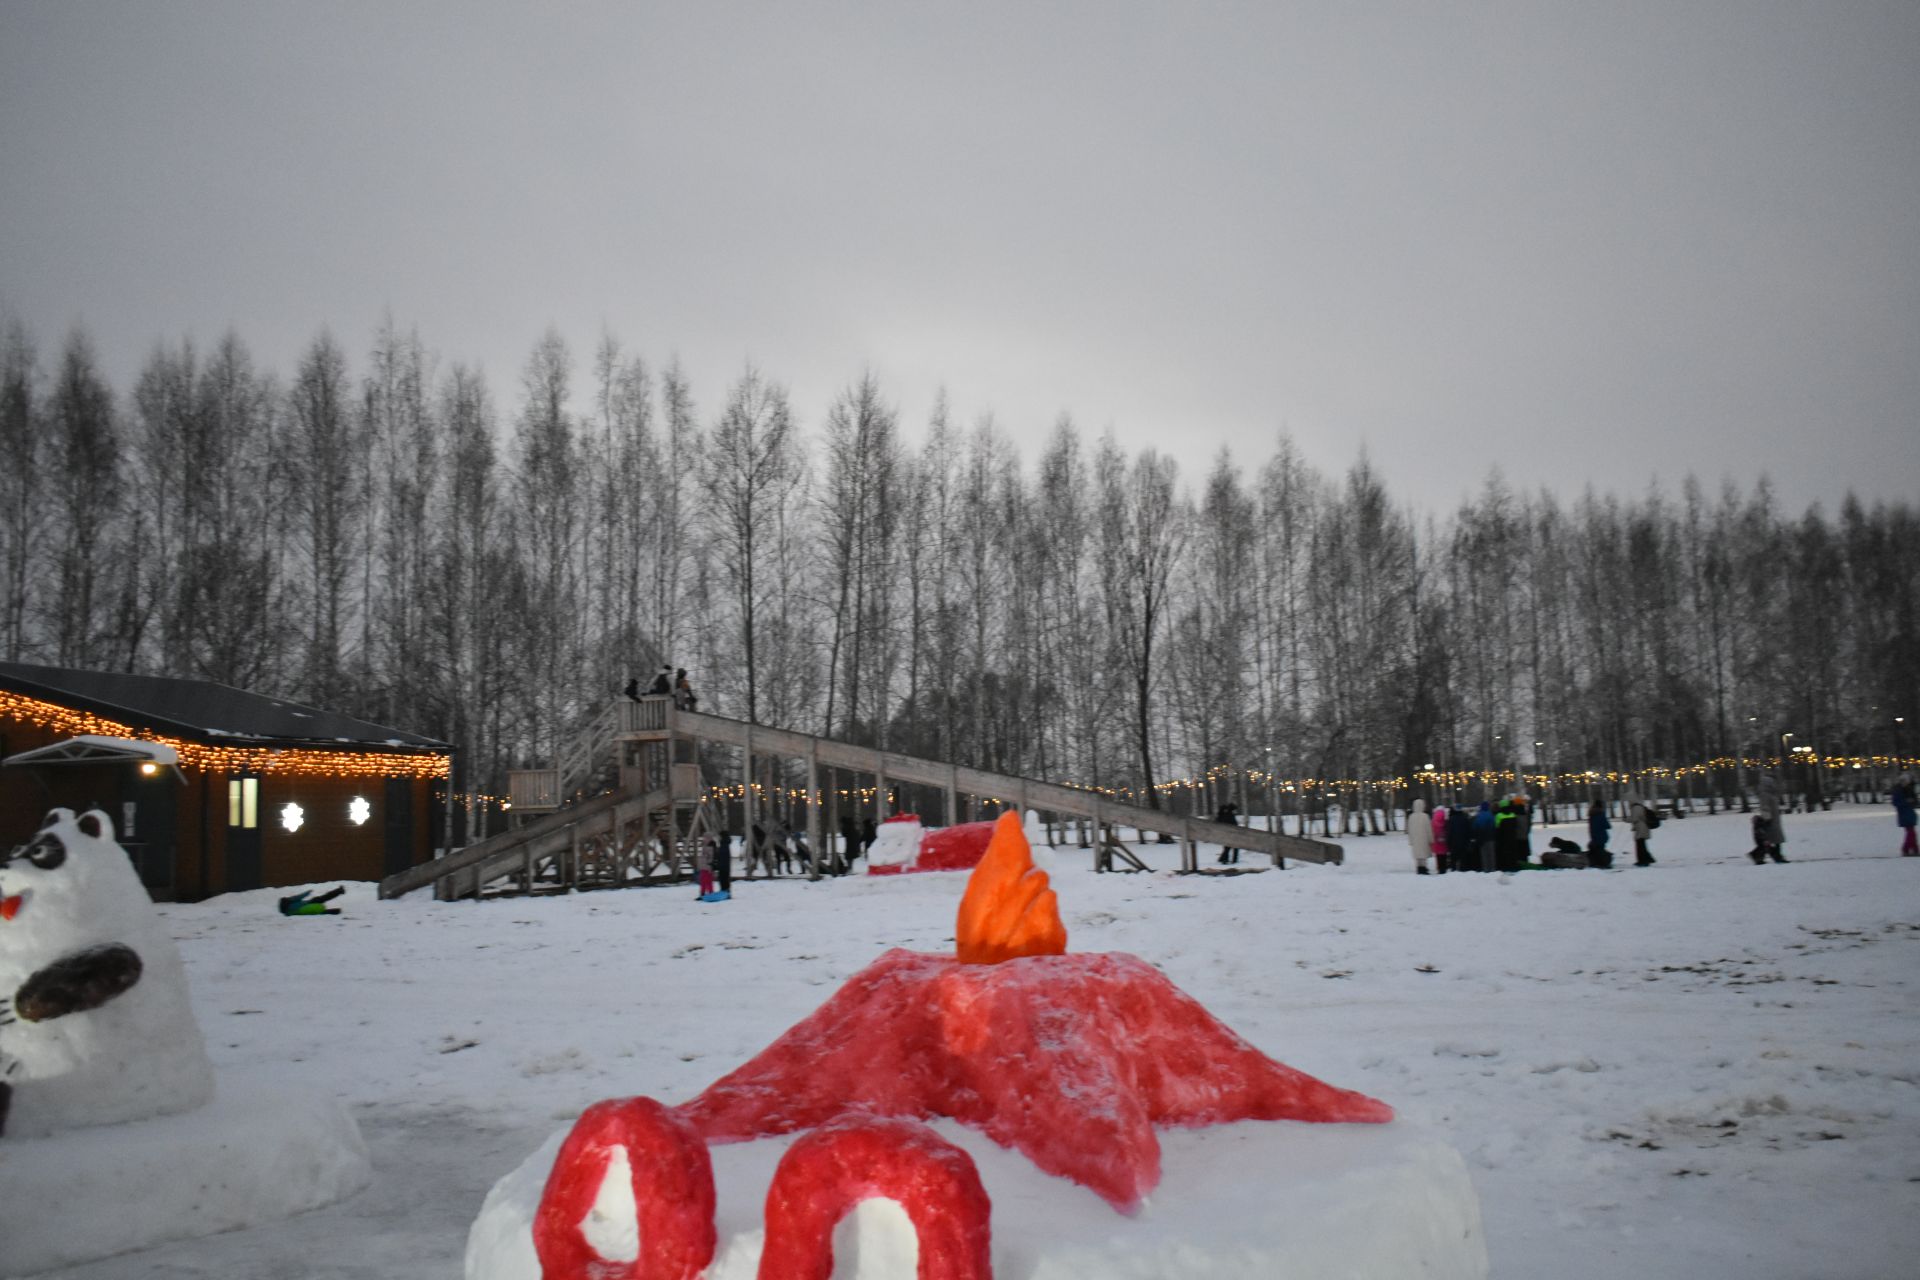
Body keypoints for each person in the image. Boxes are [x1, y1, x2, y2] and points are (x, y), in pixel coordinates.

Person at [1754, 772, 1788, 863]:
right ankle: (1776, 856)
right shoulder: (1765, 795)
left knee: (1772, 840)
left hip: (1774, 820)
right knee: (1773, 840)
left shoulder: (1770, 794)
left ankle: (1761, 856)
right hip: (1770, 820)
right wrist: (1767, 819)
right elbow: (1765, 807)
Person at [1894, 773, 1918, 857]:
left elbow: (1915, 801)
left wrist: (1913, 802)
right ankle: (1907, 849)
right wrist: (1907, 802)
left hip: (1910, 813)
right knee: (1911, 833)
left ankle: (1912, 850)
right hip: (1904, 814)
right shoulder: (1899, 790)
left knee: (1912, 833)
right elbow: (1896, 802)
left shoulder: (1909, 789)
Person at [1629, 795, 1656, 866]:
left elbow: (1635, 819)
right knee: (1641, 844)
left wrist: (1627, 820)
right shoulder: (1640, 806)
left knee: (1640, 845)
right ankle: (1646, 859)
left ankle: (1643, 861)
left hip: (1641, 829)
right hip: (1642, 828)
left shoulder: (1636, 807)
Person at [1406, 798, 1431, 874]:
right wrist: (1430, 839)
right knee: (1423, 854)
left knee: (1418, 855)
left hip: (1415, 839)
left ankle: (1419, 867)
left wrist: (1411, 840)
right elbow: (1428, 829)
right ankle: (1424, 867)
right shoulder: (1425, 816)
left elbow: (1409, 829)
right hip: (1424, 838)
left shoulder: (1411, 817)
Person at [1470, 801, 1497, 872]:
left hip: (1482, 839)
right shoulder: (1491, 815)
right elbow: (1494, 826)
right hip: (1491, 838)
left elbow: (1474, 827)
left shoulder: (1479, 816)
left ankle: (1486, 869)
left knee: (1484, 855)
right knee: (1491, 854)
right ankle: (1492, 869)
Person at [1587, 799, 1612, 869]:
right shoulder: (1601, 814)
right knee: (1600, 850)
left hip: (1593, 836)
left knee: (1596, 849)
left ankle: (1594, 862)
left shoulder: (1591, 814)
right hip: (1601, 835)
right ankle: (1603, 864)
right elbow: (1607, 825)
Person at [1430, 801, 1449, 873]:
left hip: (1436, 842)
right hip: (1444, 842)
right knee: (1444, 855)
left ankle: (1439, 868)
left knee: (1438, 856)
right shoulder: (1445, 821)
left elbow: (1432, 831)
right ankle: (1444, 868)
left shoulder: (1433, 822)